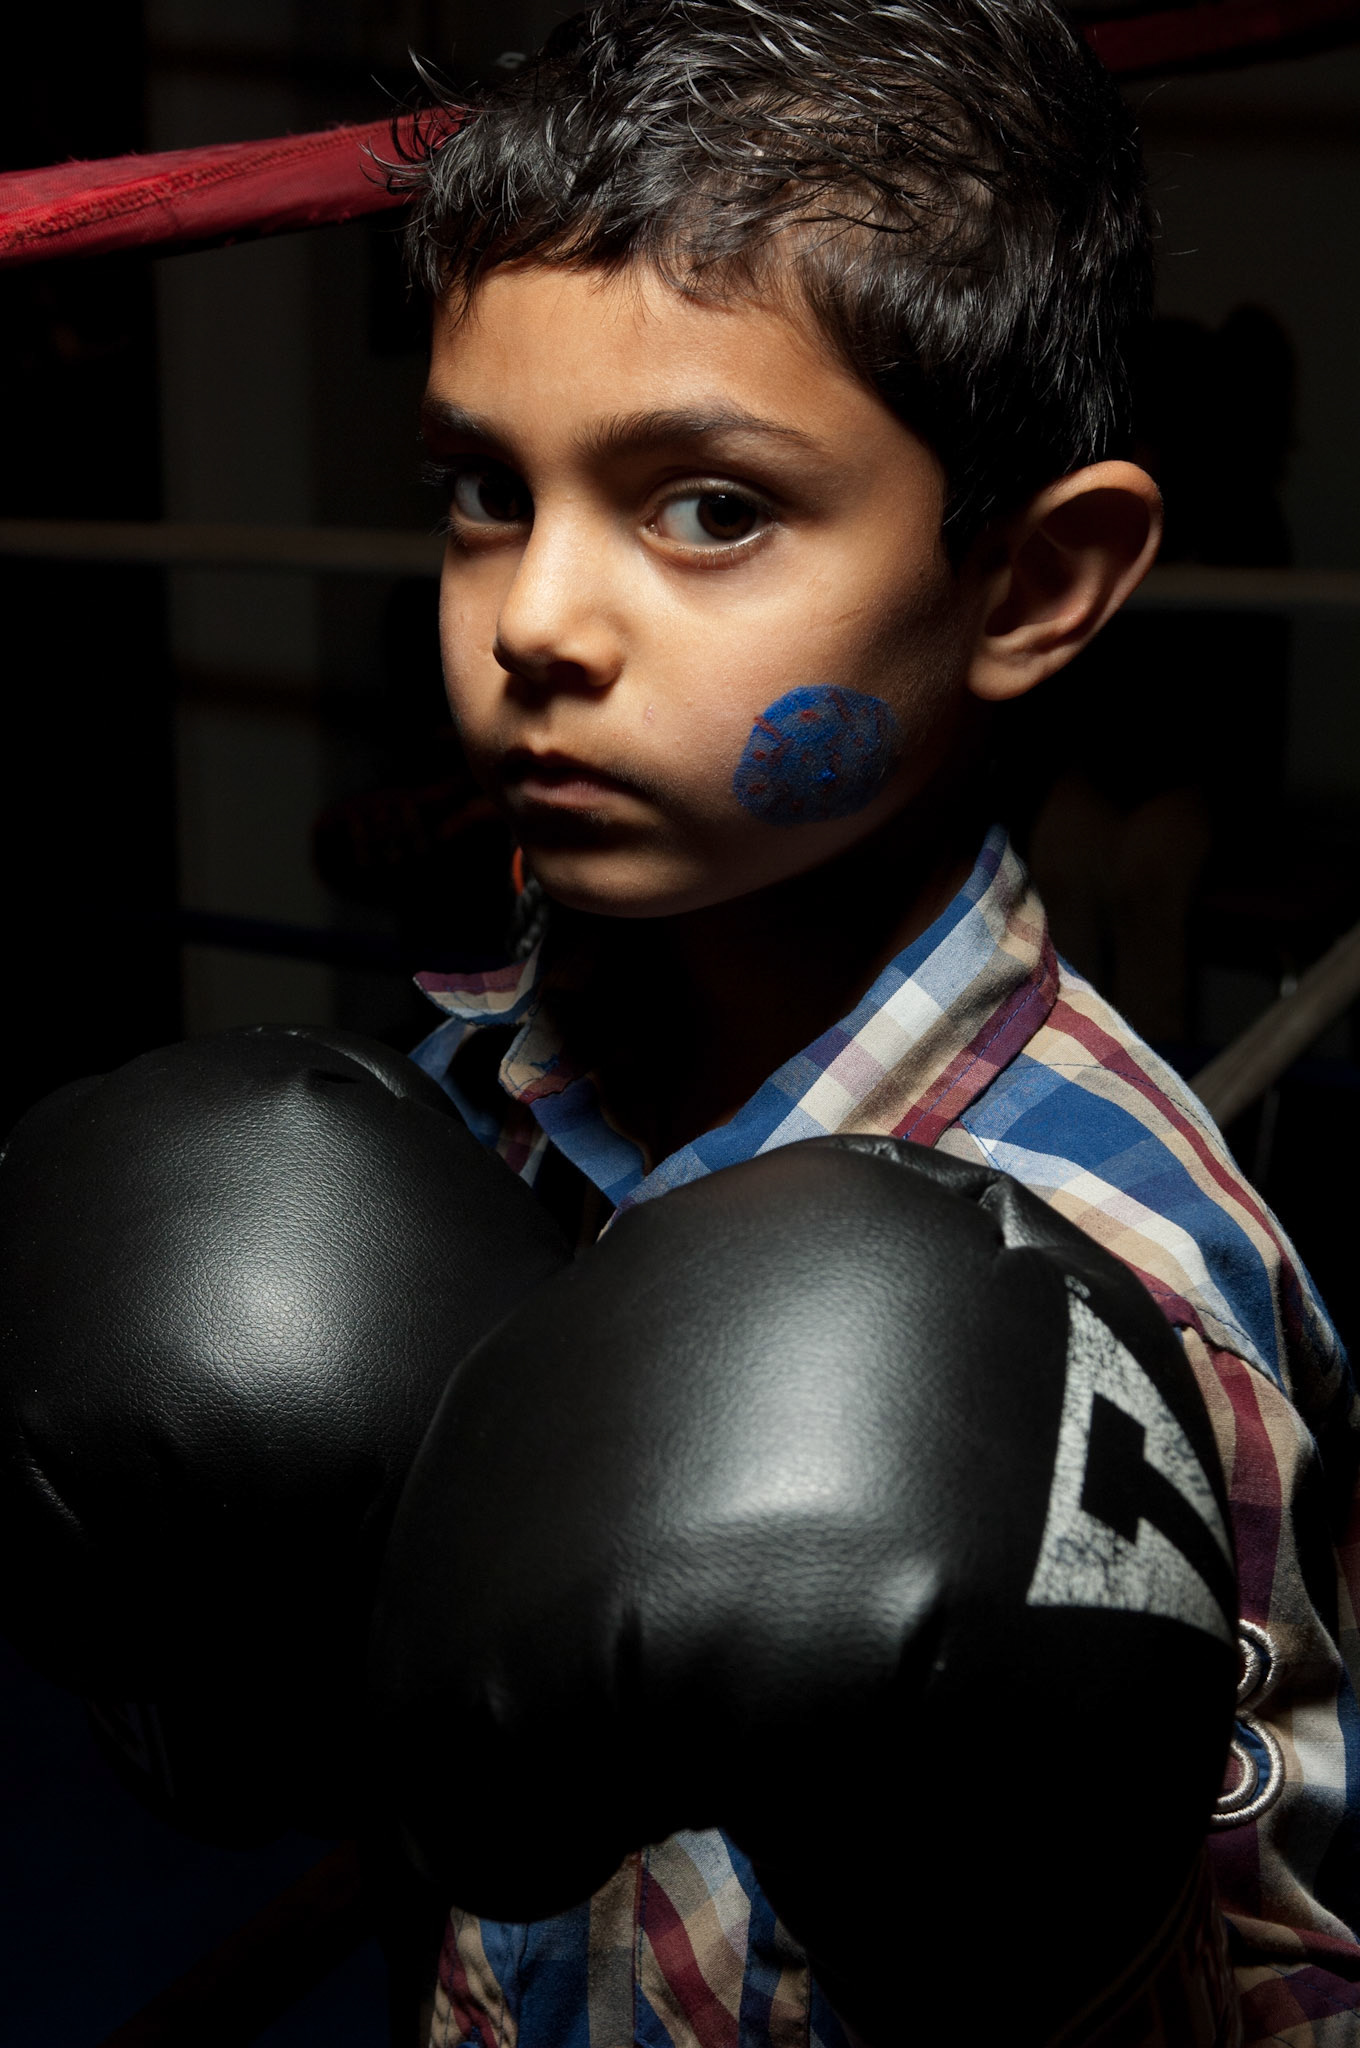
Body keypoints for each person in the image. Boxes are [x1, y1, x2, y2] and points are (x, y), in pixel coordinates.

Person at [389, 2, 1355, 2042]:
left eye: (709, 507)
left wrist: (1048, 1897)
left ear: (1028, 583)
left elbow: (1272, 1989)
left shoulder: (1131, 1282)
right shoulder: (499, 1085)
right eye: (486, 486)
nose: (534, 618)